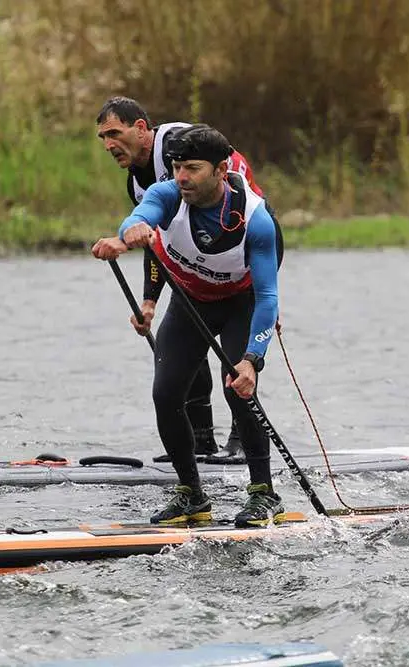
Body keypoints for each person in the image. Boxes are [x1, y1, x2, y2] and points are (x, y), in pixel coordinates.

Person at [91, 124, 285, 528]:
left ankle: (264, 493)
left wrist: (252, 360)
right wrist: (128, 235)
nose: (181, 177)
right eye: (178, 167)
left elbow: (268, 296)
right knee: (166, 394)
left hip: (241, 302)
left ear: (220, 171)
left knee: (237, 390)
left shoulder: (255, 218)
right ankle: (192, 495)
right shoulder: (167, 194)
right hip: (191, 301)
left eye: (192, 169)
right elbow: (139, 217)